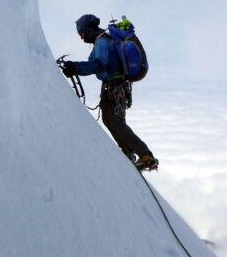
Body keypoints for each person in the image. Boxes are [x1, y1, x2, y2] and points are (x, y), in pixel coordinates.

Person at [61, 14, 158, 171]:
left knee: (116, 123)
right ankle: (128, 152)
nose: (81, 37)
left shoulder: (102, 42)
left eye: (81, 32)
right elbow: (95, 63)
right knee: (109, 120)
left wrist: (75, 68)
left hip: (114, 88)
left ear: (88, 29)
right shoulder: (102, 41)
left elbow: (99, 64)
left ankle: (145, 155)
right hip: (116, 88)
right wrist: (75, 67)